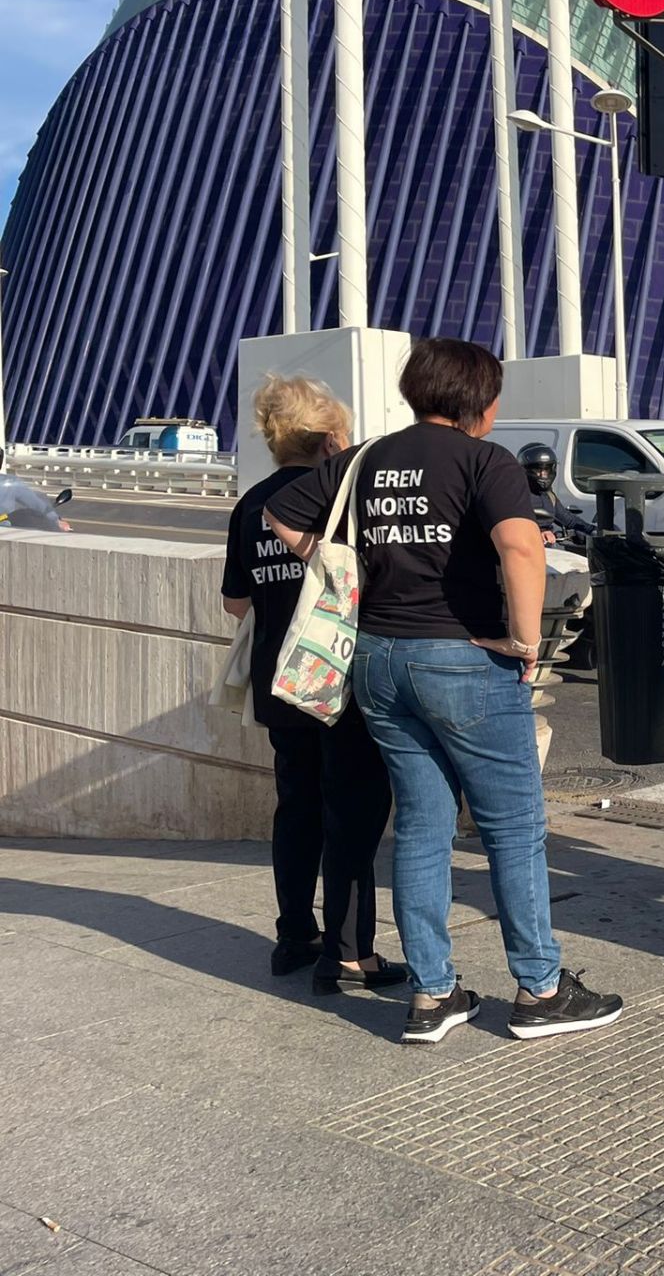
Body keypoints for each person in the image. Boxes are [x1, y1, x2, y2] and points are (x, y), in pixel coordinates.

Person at [268, 339, 623, 1044]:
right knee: (513, 828)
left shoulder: (364, 458)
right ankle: (540, 988)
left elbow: (280, 513)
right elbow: (522, 549)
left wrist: (340, 562)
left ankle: (433, 995)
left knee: (423, 826)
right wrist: (524, 642)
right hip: (461, 657)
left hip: (377, 660)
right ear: (480, 405)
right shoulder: (484, 461)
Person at [222, 376, 404, 993]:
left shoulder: (251, 505)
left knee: (296, 808)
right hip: (339, 679)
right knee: (350, 813)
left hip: (279, 680)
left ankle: (293, 934)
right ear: (330, 440)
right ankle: (351, 954)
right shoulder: (335, 501)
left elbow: (234, 603)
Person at [519, 443, 593, 546]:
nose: (543, 475)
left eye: (546, 469)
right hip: (522, 551)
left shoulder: (549, 496)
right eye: (537, 470)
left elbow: (568, 519)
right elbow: (508, 525)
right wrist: (538, 532)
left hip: (546, 551)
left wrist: (592, 530)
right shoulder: (516, 495)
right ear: (525, 470)